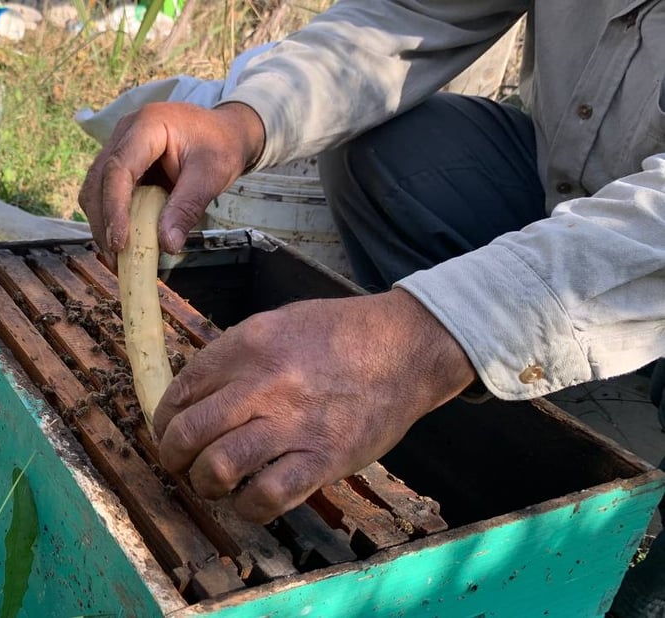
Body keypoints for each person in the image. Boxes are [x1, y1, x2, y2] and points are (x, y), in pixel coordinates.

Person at [77, 1, 664, 615]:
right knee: (392, 149)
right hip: (567, 182)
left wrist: (417, 341)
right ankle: (449, 410)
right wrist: (242, 122)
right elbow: (414, 12)